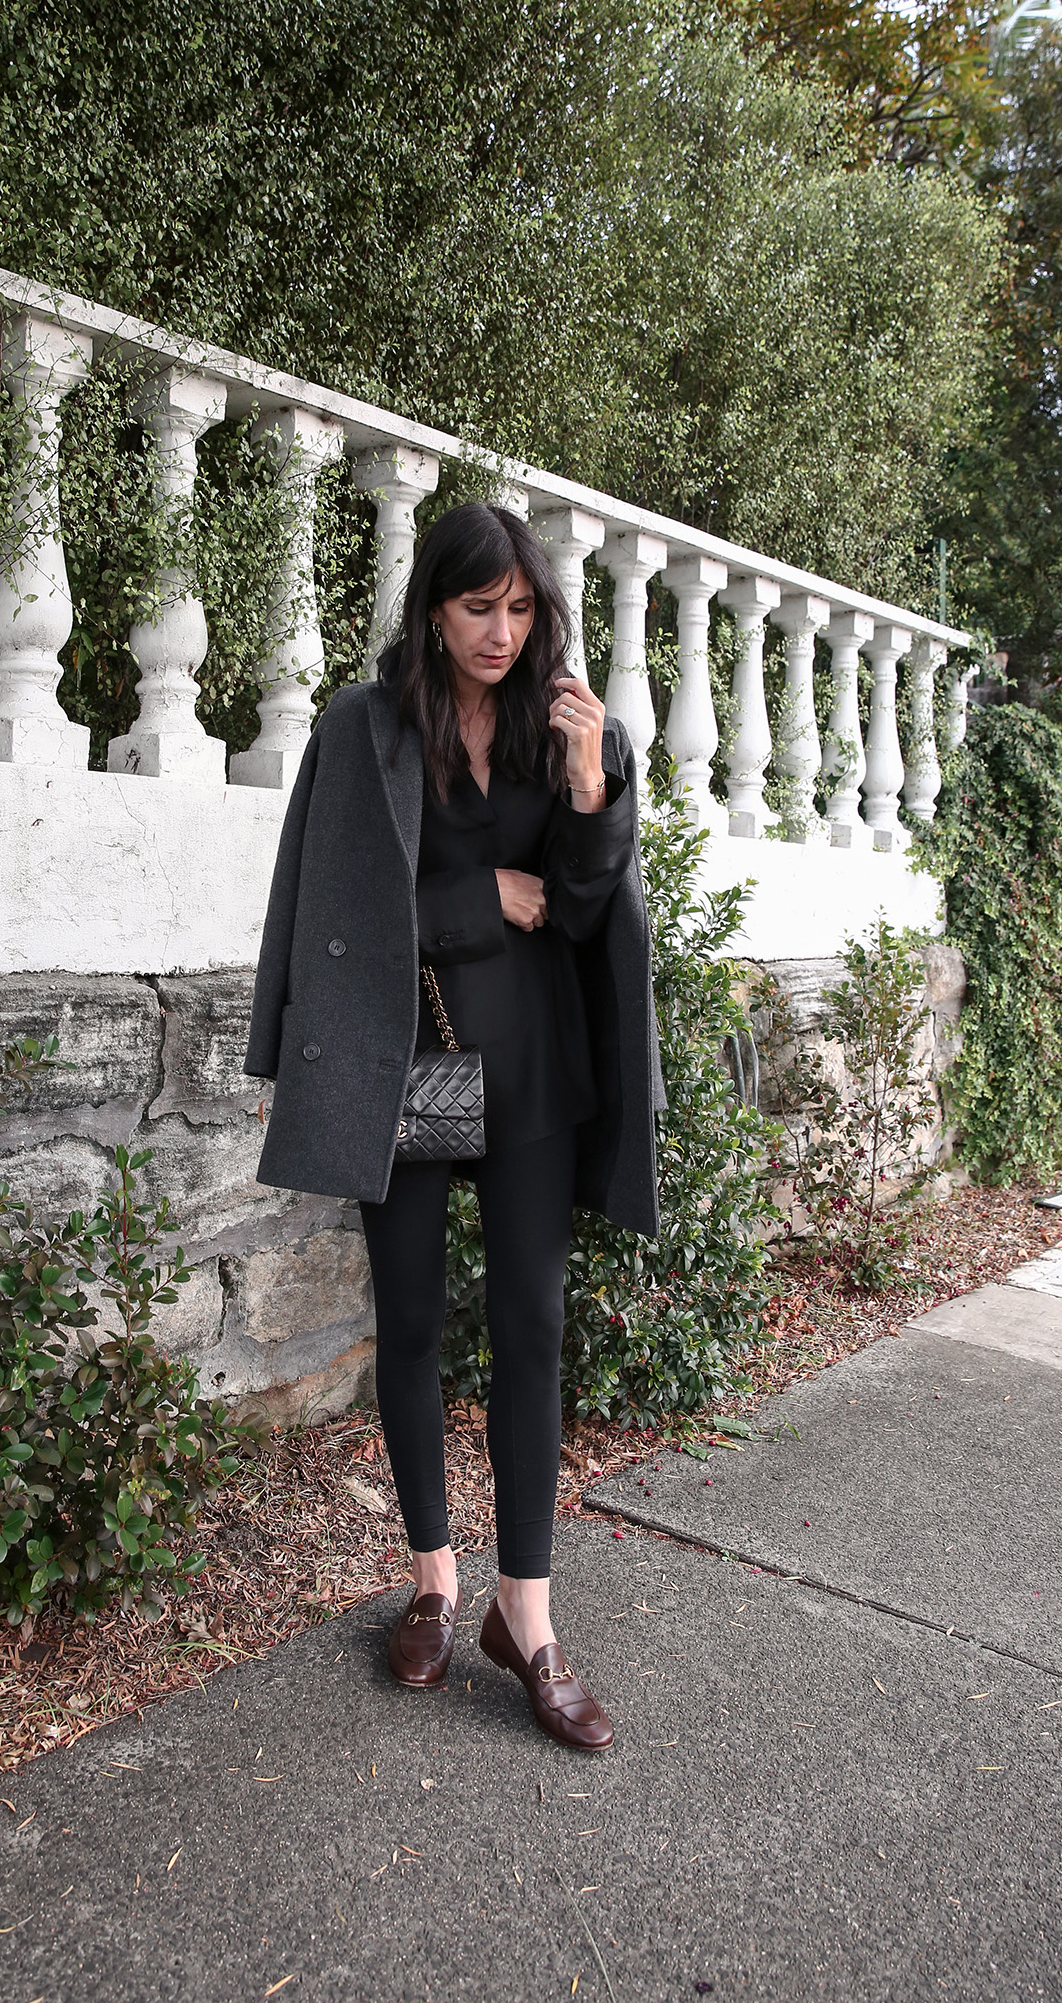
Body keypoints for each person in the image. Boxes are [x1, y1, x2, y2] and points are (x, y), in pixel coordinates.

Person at [244, 502, 662, 1751]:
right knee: (414, 1325)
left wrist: (591, 788)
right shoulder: (363, 731)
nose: (501, 631)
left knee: (532, 1327)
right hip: (405, 1069)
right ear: (434, 607)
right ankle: (433, 1578)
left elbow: (587, 914)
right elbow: (342, 911)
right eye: (479, 607)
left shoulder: (569, 728)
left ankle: (526, 1620)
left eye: (521, 608)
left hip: (536, 1073)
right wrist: (483, 895)